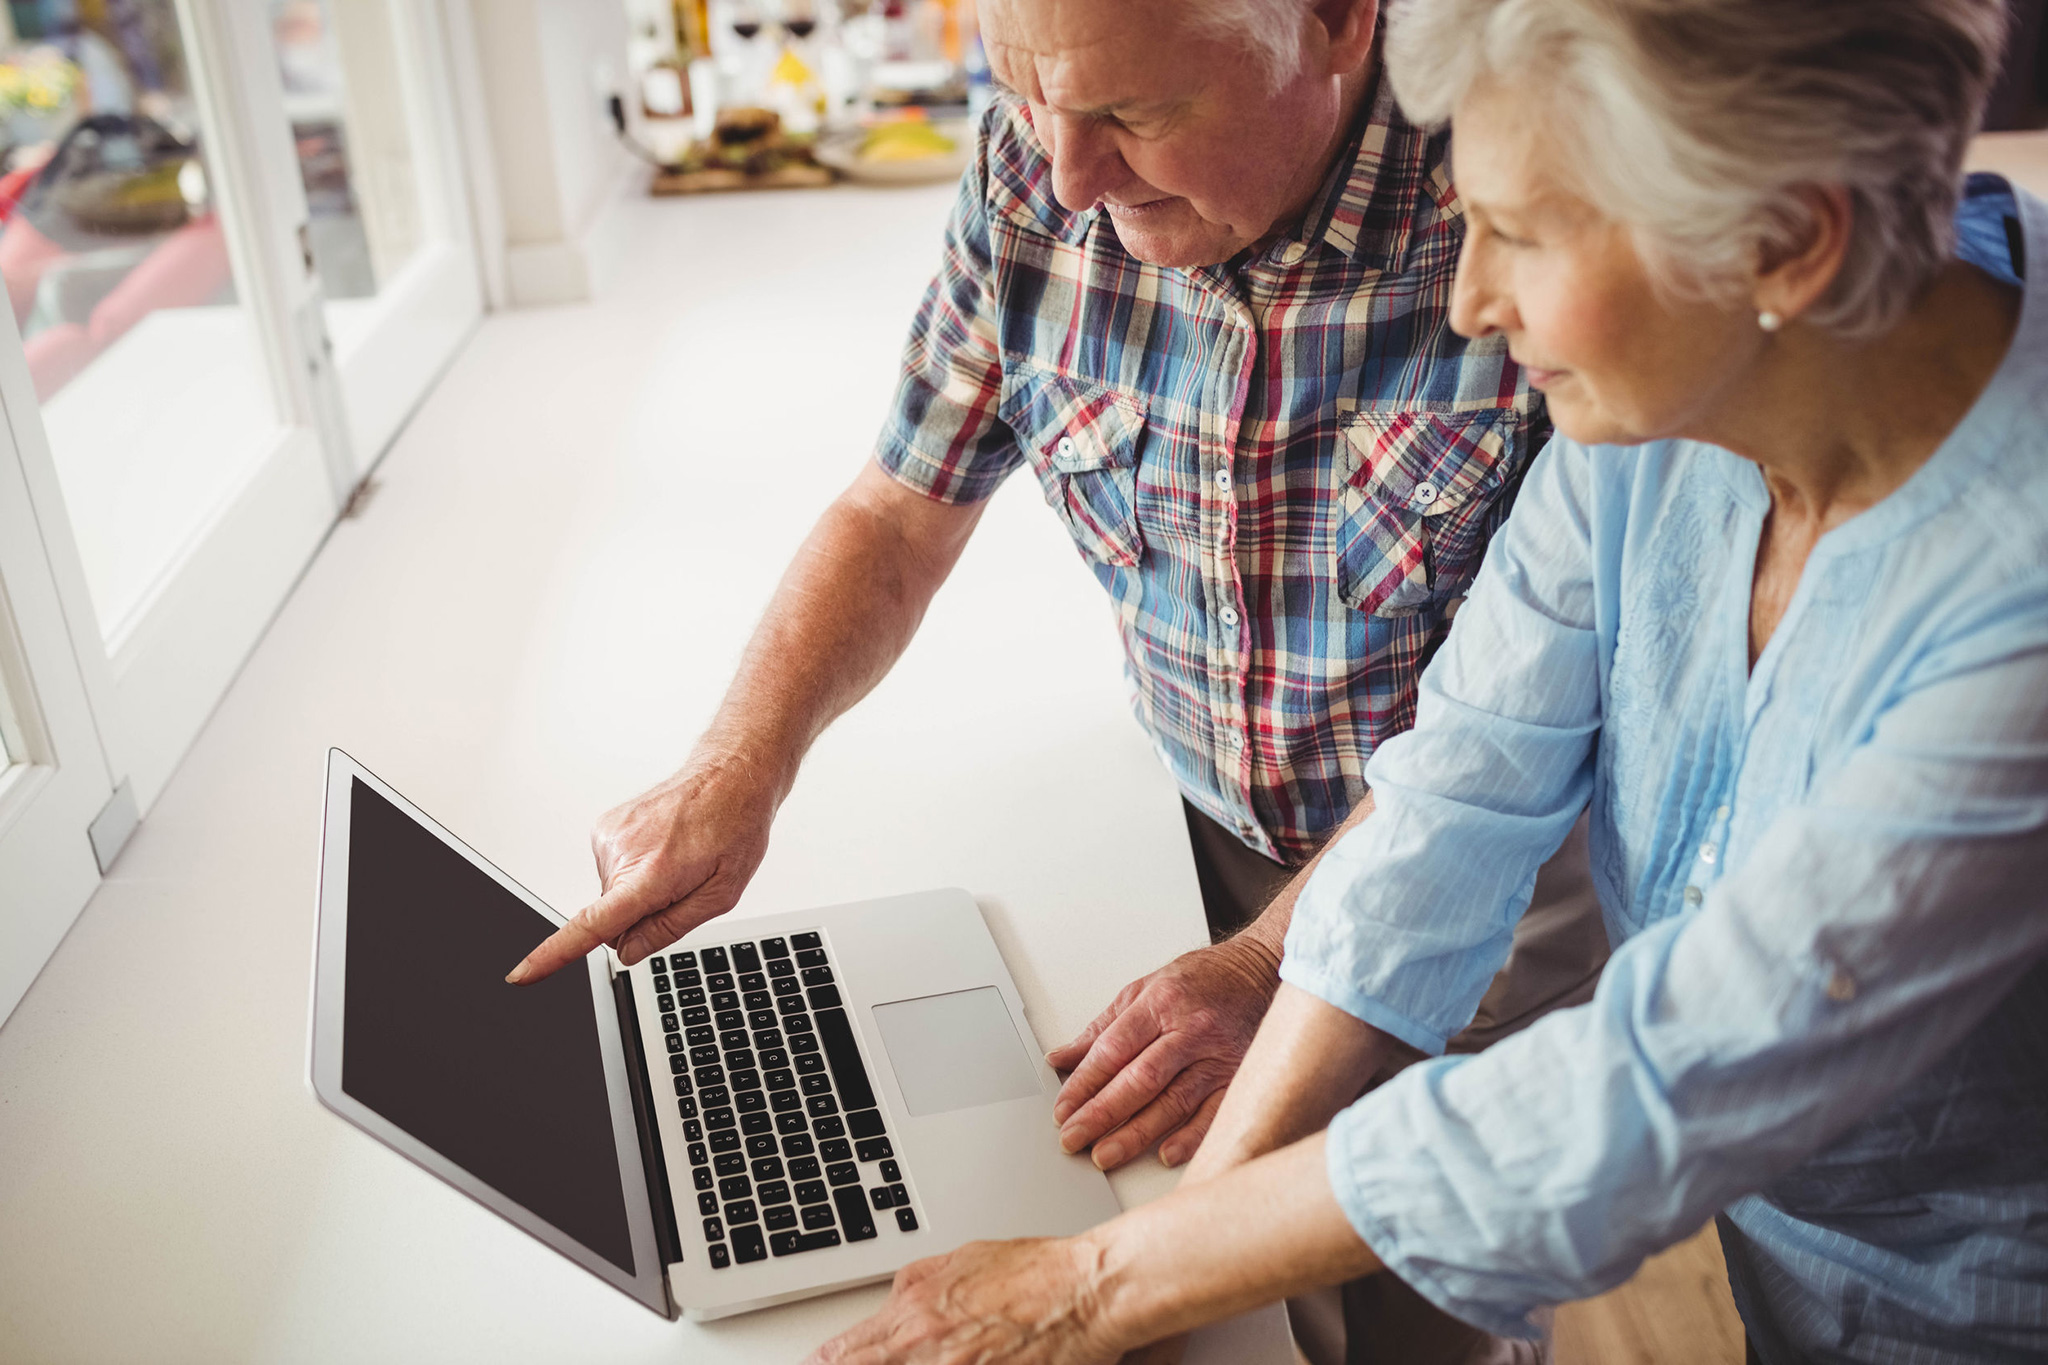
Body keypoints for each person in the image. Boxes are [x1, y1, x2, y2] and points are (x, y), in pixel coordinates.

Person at [801, 0, 2048, 1361]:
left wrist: (1100, 1283)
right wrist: (1183, 1239)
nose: (1470, 299)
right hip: (1792, 1250)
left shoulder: (2018, 612)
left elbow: (1654, 1088)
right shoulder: (1684, 379)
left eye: (1522, 234)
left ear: (1790, 243)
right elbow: (1451, 790)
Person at [512, 0, 1603, 1231]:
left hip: (1480, 888)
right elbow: (896, 514)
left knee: (1417, 1284)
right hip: (1198, 837)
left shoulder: (1519, 205)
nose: (1068, 176)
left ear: (1340, 25)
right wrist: (739, 761)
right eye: (1026, 91)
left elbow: (1509, 733)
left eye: (1131, 115)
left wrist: (1267, 962)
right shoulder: (1030, 171)